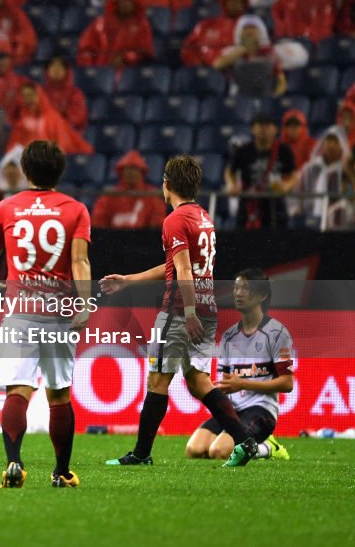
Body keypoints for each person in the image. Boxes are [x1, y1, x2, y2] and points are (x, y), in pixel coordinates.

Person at [101, 155, 260, 467]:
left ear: (167, 184)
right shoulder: (202, 216)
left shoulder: (174, 220)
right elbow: (177, 265)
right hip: (208, 307)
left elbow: (184, 270)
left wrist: (187, 313)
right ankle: (245, 440)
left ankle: (141, 454)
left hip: (179, 311)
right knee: (198, 380)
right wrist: (129, 281)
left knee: (158, 381)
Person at [0, 140, 92, 488]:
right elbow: (79, 261)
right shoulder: (75, 210)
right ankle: (61, 472)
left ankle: (14, 463)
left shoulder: (6, 208)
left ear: (25, 171)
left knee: (18, 391)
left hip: (20, 312)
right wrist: (85, 302)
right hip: (57, 313)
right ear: (59, 171)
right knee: (58, 393)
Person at [185, 269, 293, 462]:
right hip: (233, 409)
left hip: (261, 410)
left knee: (219, 452)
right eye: (236, 288)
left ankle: (269, 447)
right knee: (195, 449)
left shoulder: (277, 333)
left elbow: (287, 383)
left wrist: (244, 384)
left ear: (262, 295)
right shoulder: (228, 337)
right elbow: (226, 383)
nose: (238, 293)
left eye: (245, 288)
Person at [225, 113, 298, 230]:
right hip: (249, 206)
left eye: (268, 126)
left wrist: (286, 187)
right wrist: (231, 184)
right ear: (253, 129)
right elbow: (230, 171)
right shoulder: (243, 150)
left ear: (275, 130)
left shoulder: (284, 151)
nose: (264, 130)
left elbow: (293, 175)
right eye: (260, 126)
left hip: (275, 207)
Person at [77, 0, 154, 68]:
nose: (125, 4)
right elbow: (86, 46)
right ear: (116, 3)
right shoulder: (101, 22)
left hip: (130, 71)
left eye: (129, 1)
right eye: (122, 1)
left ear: (135, 3)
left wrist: (125, 57)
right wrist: (90, 65)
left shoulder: (141, 24)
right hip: (101, 69)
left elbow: (144, 52)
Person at [213, 15, 286, 97]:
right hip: (238, 98)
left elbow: (280, 79)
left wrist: (274, 96)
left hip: (264, 95)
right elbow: (218, 64)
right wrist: (243, 49)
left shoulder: (270, 53)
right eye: (245, 28)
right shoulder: (230, 51)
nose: (248, 31)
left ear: (260, 32)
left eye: (252, 28)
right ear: (239, 32)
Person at [91, 150, 165, 229]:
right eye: (128, 169)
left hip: (144, 239)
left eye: (135, 169)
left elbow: (156, 227)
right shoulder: (108, 197)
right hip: (112, 239)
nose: (131, 173)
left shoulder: (152, 196)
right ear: (121, 172)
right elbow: (98, 224)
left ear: (141, 172)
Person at [181, 0, 250, 67]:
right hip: (206, 71)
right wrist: (197, 64)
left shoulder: (250, 27)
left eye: (239, 1)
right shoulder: (205, 25)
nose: (235, 3)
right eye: (232, 0)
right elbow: (188, 49)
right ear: (224, 2)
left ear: (244, 4)